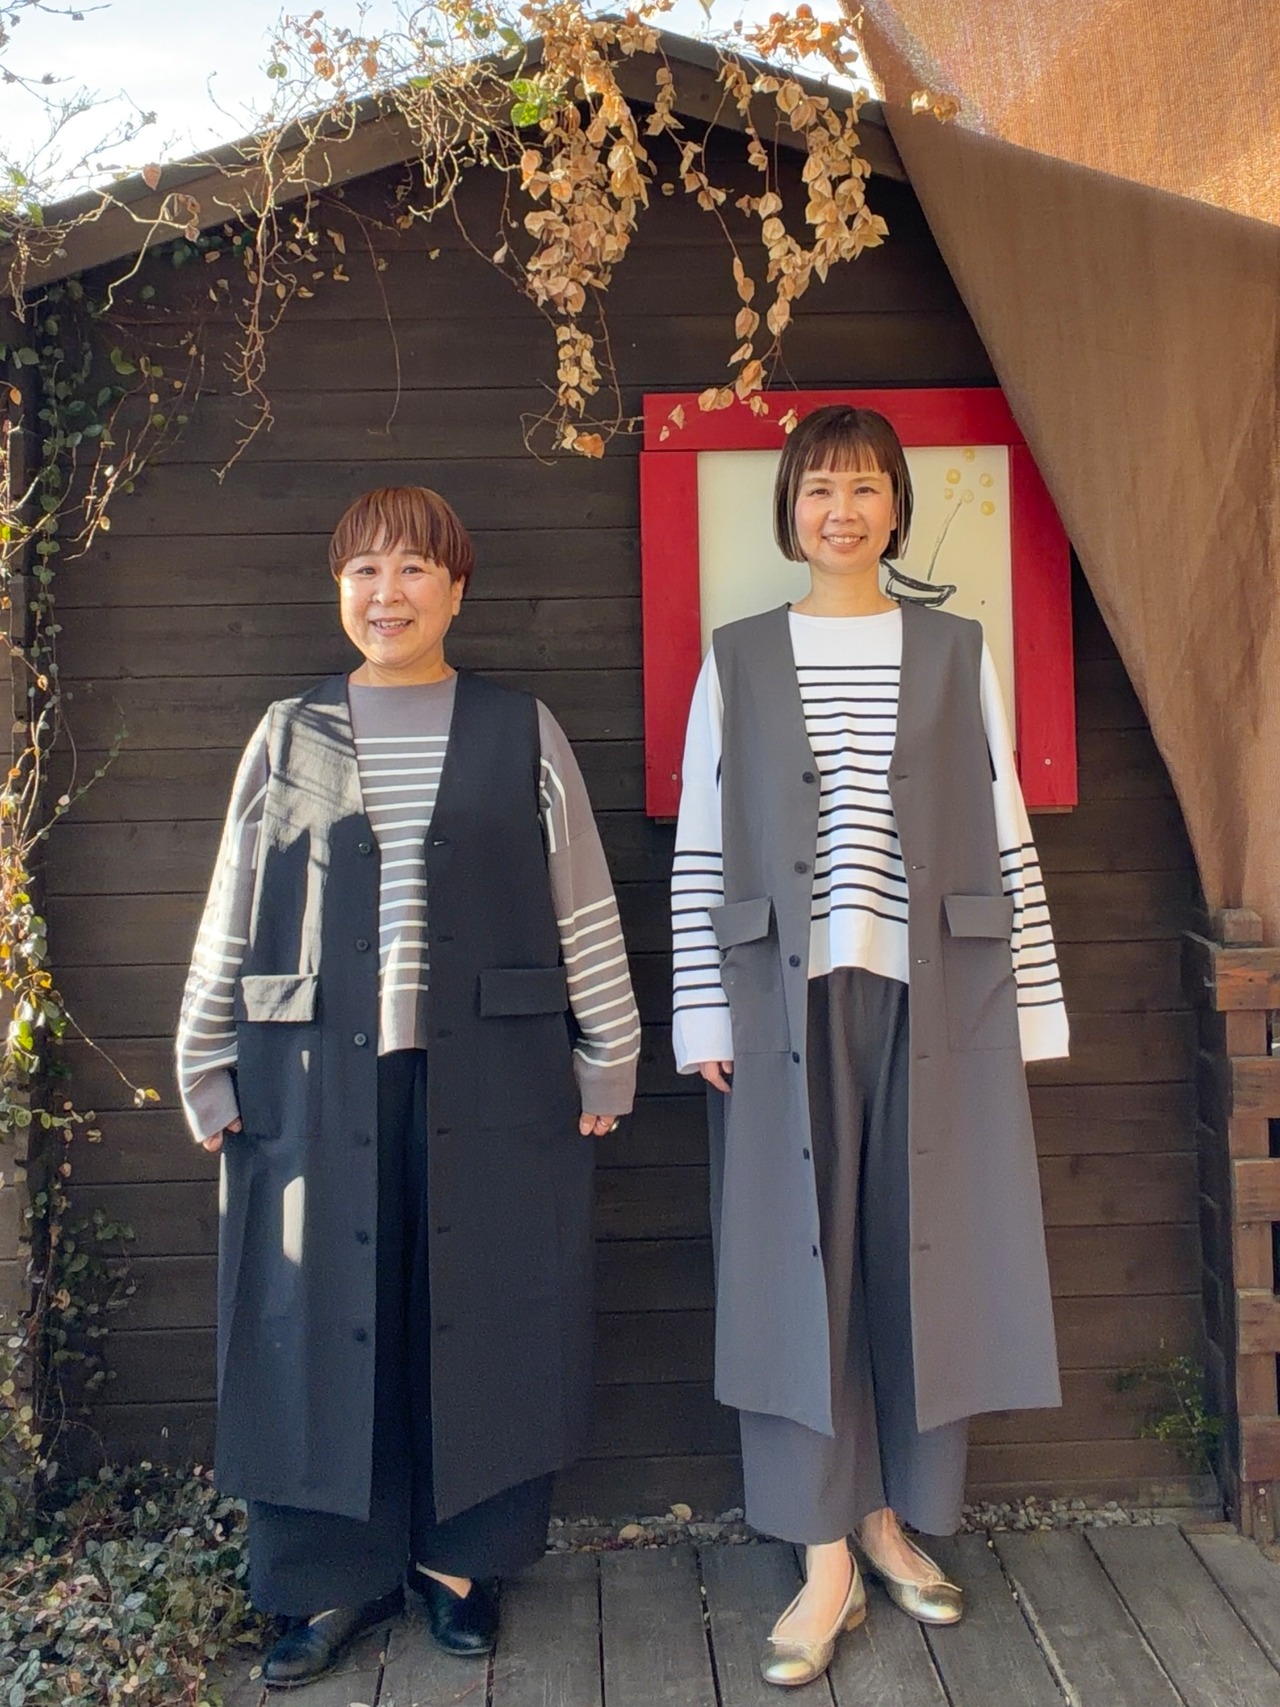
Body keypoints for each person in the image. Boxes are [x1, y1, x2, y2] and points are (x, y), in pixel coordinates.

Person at [176, 486, 639, 1689]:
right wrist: (202, 1057)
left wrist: (610, 1047)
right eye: (364, 571)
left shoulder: (519, 728)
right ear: (339, 589)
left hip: (491, 1077)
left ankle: (458, 1565)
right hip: (312, 1081)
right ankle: (325, 1580)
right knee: (315, 1319)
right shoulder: (286, 734)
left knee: (483, 1309)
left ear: (456, 588)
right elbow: (234, 896)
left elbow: (580, 894)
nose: (386, 594)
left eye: (413, 569)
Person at [671, 406, 1068, 1687]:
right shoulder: (736, 657)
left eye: (862, 489)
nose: (838, 511)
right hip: (779, 1008)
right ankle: (821, 1551)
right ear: (786, 510)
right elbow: (699, 842)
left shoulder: (953, 650)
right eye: (817, 489)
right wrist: (702, 1010)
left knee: (921, 1255)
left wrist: (1027, 1007)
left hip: (930, 1000)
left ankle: (893, 1516)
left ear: (896, 508)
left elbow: (1003, 825)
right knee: (799, 1268)